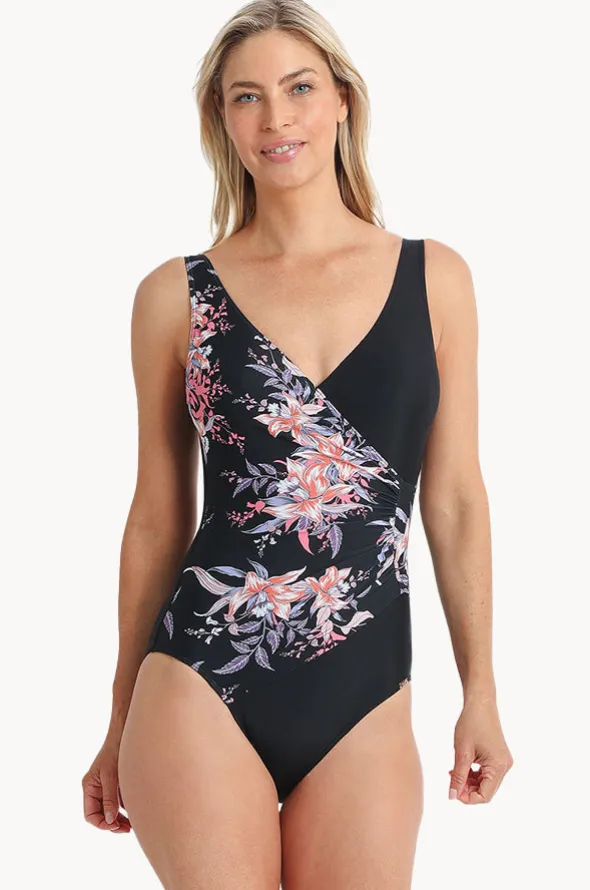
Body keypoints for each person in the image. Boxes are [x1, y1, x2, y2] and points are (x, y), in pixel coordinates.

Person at [82, 1, 513, 887]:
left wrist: (482, 691)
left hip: (367, 692)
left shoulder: (435, 280)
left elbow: (456, 500)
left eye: (300, 88)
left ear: (343, 100)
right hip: (201, 677)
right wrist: (118, 717)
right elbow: (158, 518)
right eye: (247, 96)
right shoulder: (176, 297)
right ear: (223, 120)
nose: (276, 118)